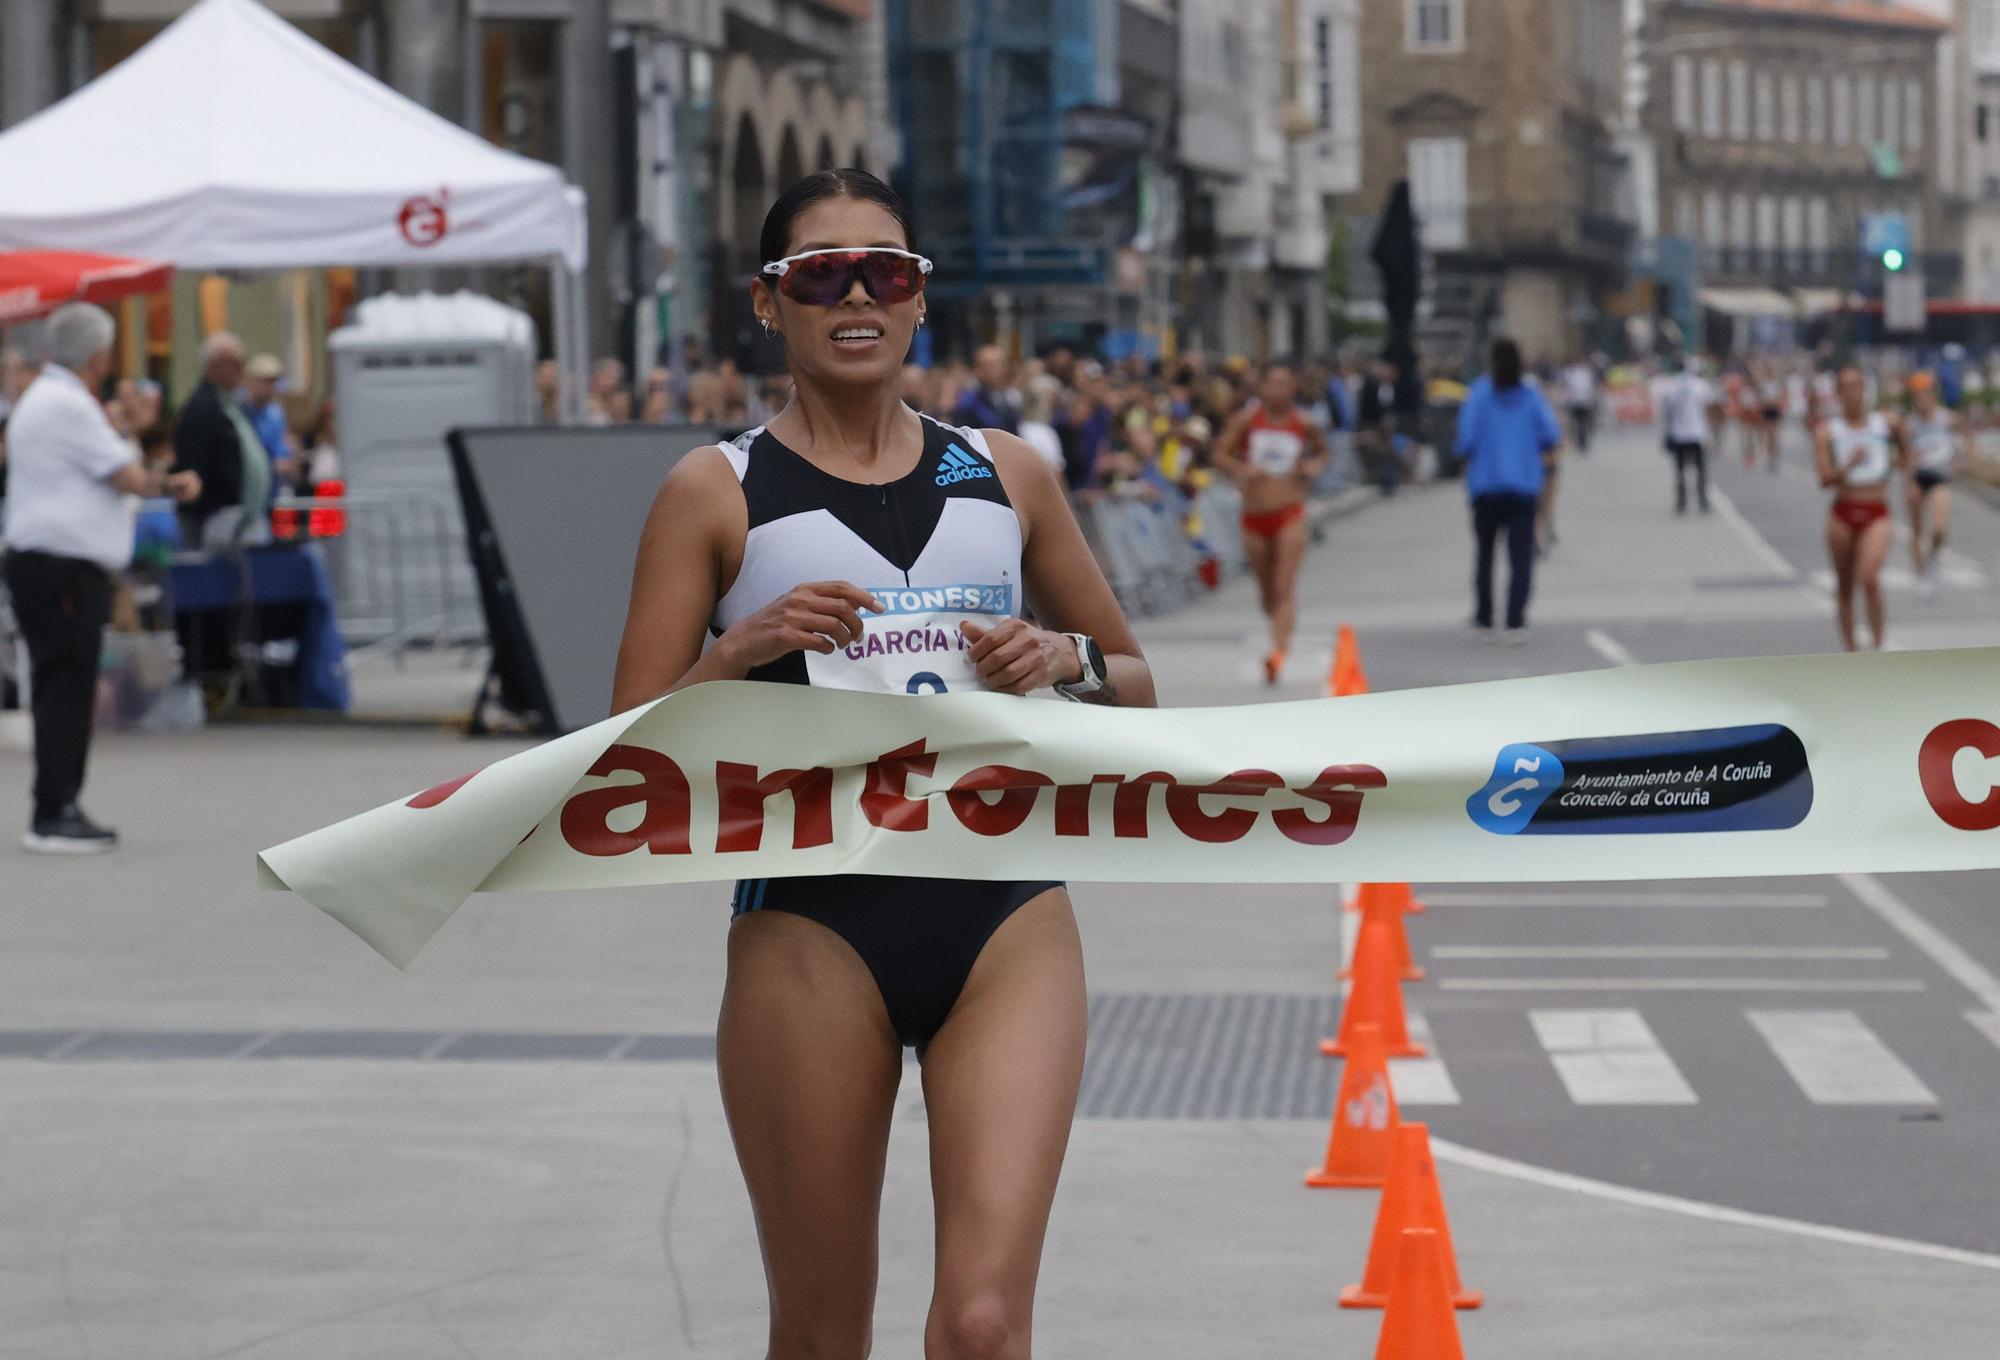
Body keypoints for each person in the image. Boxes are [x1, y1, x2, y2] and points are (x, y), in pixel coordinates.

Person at [610, 169, 1154, 1360]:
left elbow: (1135, 685)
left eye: (887, 271)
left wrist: (1059, 655)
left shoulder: (1006, 471)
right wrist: (739, 650)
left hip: (1004, 915)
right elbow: (618, 757)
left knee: (982, 1323)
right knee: (818, 1332)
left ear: (918, 299)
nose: (856, 295)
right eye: (820, 274)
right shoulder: (714, 489)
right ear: (768, 302)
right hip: (811, 924)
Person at [0, 304, 199, 852]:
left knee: (59, 684)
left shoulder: (47, 398)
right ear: (98, 355)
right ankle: (54, 811)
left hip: (46, 562)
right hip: (62, 567)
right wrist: (172, 481)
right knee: (67, 686)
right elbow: (129, 476)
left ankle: (55, 805)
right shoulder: (68, 404)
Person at [1214, 365, 1328, 684]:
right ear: (1262, 388)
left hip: (1289, 512)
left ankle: (1277, 654)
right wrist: (1241, 469)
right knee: (1266, 594)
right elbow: (1219, 454)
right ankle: (1280, 626)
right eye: (1273, 383)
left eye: (1285, 383)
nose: (1279, 390)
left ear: (1294, 388)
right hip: (1254, 515)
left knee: (1283, 587)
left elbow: (1322, 454)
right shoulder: (1247, 421)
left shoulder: (1303, 423)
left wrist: (1312, 467)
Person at [1455, 336, 1560, 644]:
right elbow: (1551, 435)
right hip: (1524, 487)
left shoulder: (1479, 393)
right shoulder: (1531, 395)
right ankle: (1516, 620)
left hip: (1485, 486)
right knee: (1521, 557)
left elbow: (1466, 441)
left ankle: (1484, 616)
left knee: (1485, 554)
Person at [1815, 365, 1908, 651]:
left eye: (1859, 386)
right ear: (1838, 393)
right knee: (1844, 584)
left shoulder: (1886, 422)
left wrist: (1906, 471)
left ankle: (1878, 645)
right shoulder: (1828, 430)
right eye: (1848, 387)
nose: (1855, 393)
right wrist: (1847, 466)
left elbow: (1905, 445)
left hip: (1876, 511)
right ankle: (1851, 648)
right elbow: (1824, 479)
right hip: (1843, 512)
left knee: (1868, 576)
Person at [171, 332, 269, 549]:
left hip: (239, 518)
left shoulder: (232, 404)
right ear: (213, 366)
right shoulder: (202, 409)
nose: (240, 370)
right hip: (216, 518)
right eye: (233, 364)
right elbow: (192, 465)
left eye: (241, 363)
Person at [1903, 371, 1963, 597]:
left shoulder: (1946, 418)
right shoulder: (1910, 424)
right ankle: (1922, 575)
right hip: (1919, 477)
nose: (1921, 399)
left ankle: (1933, 561)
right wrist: (1908, 483)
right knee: (1917, 530)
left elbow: (1966, 437)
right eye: (1917, 395)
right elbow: (1907, 457)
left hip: (1939, 477)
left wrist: (1960, 461)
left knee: (1939, 529)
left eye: (1924, 394)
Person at [1660, 358, 1718, 515]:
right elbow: (1709, 408)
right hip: (1697, 433)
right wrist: (1711, 432)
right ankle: (1702, 500)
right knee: (1700, 468)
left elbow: (1667, 412)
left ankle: (1681, 500)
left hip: (1679, 433)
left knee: (1679, 469)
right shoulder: (1700, 385)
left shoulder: (1671, 386)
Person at [242, 354, 297, 481]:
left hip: (273, 489)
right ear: (251, 380)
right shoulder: (239, 410)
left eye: (275, 381)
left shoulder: (275, 414)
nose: (272, 386)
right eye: (267, 381)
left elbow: (283, 455)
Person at [951, 343, 1020, 434]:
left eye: (997, 364)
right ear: (977, 369)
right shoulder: (967, 402)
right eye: (987, 365)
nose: (992, 370)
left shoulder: (1010, 398)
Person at [1560, 354, 1598, 455]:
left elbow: (1590, 387)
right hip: (1575, 402)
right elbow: (1567, 388)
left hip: (1584, 401)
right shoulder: (1570, 374)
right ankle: (1578, 442)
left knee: (1582, 424)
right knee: (1575, 424)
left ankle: (1582, 443)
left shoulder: (1587, 374)